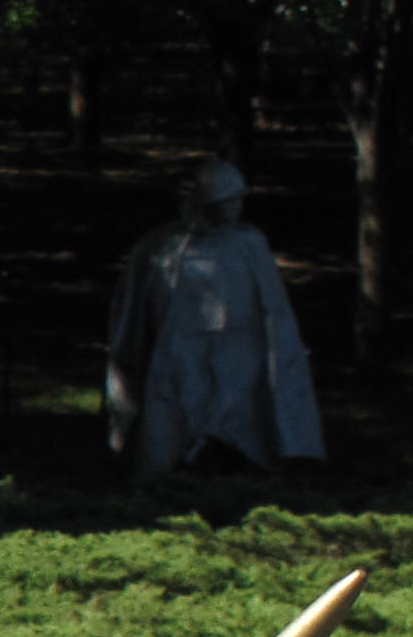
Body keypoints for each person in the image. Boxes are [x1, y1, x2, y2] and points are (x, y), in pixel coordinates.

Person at [104, 157, 322, 474]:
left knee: (240, 420)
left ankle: (240, 465)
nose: (235, 208)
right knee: (177, 411)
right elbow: (136, 314)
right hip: (180, 354)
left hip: (240, 354)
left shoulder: (249, 244)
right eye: (227, 201)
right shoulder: (161, 248)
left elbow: (274, 313)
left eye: (238, 200)